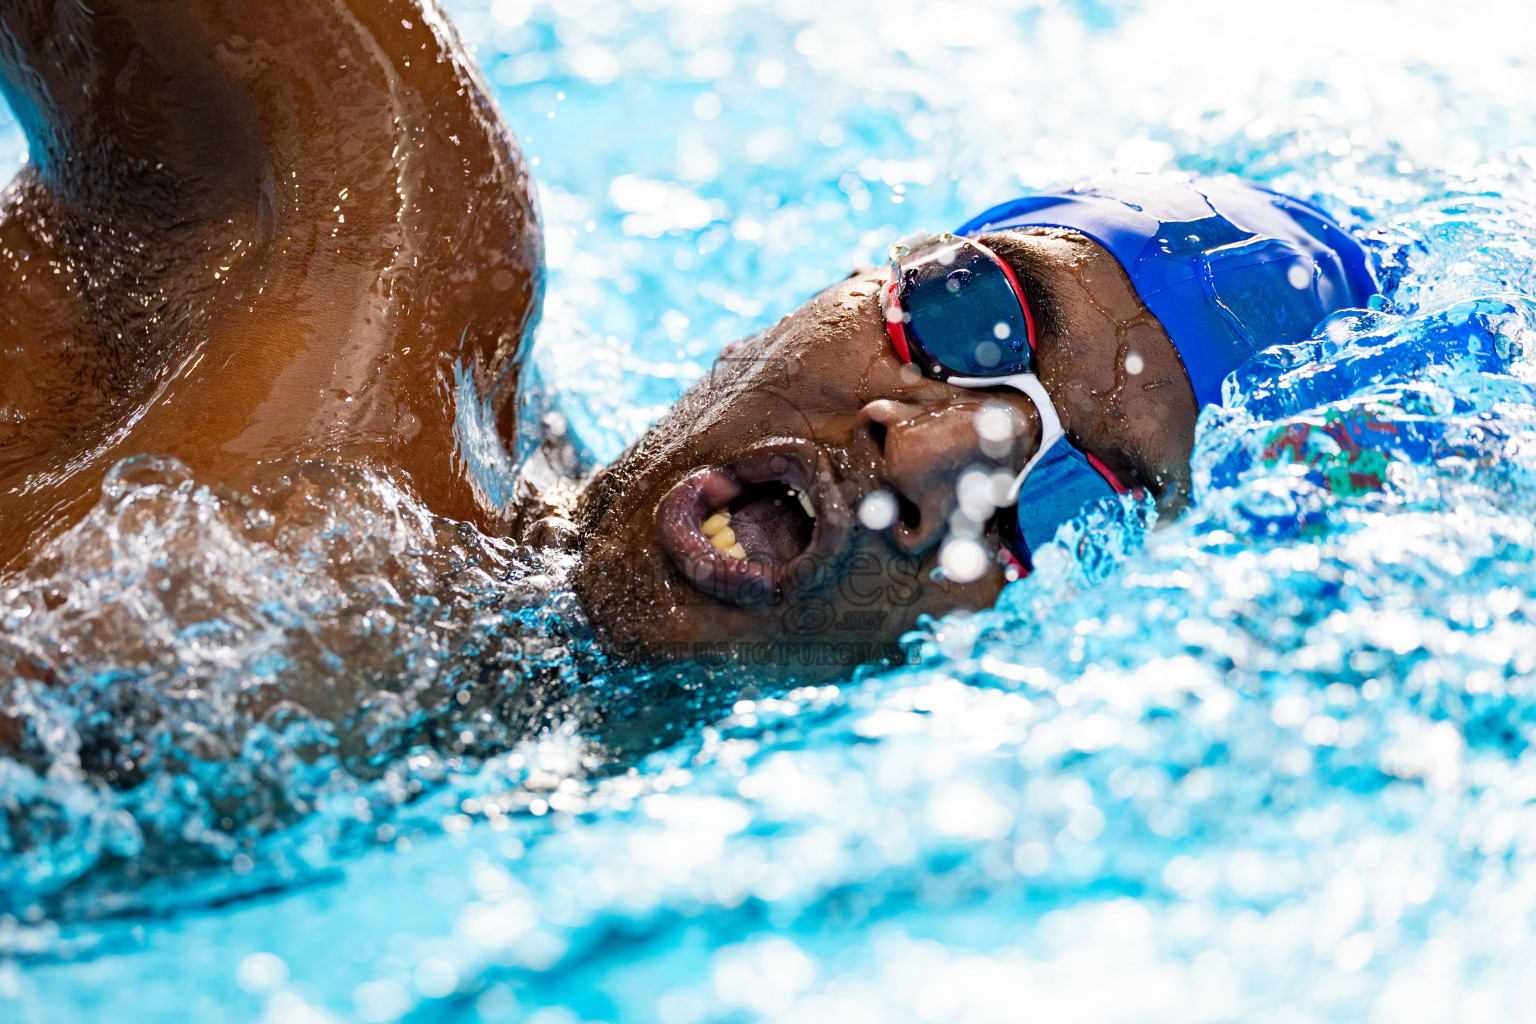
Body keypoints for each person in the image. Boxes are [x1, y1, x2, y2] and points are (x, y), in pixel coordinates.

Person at [0, 0, 1378, 689]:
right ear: (856, 277)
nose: (935, 447)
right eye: (980, 317)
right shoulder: (380, 234)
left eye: (1075, 497)